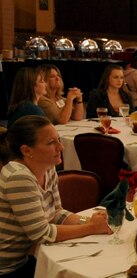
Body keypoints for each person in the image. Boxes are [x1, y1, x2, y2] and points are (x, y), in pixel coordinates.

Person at [0, 116, 112, 276]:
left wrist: (91, 221)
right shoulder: (18, 177)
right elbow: (41, 234)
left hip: (23, 259)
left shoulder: (47, 168)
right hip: (8, 267)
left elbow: (56, 213)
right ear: (26, 150)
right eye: (51, 143)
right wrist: (91, 227)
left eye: (59, 140)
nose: (61, 147)